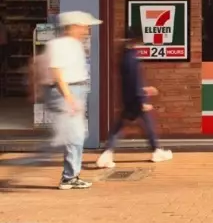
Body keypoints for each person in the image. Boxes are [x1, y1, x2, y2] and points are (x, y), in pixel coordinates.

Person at [96, 27, 172, 168]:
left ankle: (107, 153)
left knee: (121, 127)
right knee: (146, 124)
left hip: (129, 98)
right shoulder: (132, 58)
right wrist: (141, 100)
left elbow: (130, 82)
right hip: (135, 99)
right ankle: (156, 151)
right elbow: (135, 81)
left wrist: (144, 90)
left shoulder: (125, 55)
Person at [45, 11, 101, 190]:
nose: (87, 29)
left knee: (77, 135)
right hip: (66, 92)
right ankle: (69, 177)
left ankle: (71, 175)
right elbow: (56, 72)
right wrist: (69, 97)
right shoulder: (58, 45)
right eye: (84, 26)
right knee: (75, 136)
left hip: (76, 90)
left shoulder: (76, 45)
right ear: (73, 27)